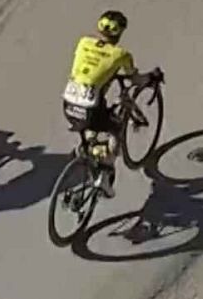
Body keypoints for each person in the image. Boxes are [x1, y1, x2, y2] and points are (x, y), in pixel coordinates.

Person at [60, 10, 156, 199]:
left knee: (95, 118)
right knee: (116, 128)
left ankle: (86, 149)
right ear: (120, 33)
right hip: (90, 111)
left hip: (68, 105)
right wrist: (152, 77)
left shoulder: (83, 42)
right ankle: (104, 176)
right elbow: (136, 80)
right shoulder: (121, 54)